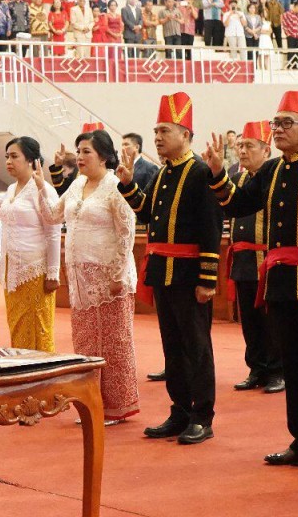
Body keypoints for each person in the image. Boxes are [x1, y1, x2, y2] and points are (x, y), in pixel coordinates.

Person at [205, 91, 298, 474]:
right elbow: (237, 204)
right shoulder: (270, 171)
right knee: (293, 365)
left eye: (288, 123)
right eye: (277, 123)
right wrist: (219, 174)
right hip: (282, 284)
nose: (280, 130)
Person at [114, 92, 221, 443]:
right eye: (156, 131)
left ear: (185, 135)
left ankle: (202, 416)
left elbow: (211, 227)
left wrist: (208, 279)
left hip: (191, 275)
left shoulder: (201, 172)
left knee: (196, 347)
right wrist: (129, 185)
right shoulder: (161, 175)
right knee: (173, 348)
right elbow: (146, 214)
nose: (157, 137)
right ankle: (180, 411)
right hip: (163, 272)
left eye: (164, 131)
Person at [37, 127, 139, 424]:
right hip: (80, 277)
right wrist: (40, 184)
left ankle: (116, 407)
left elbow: (127, 231)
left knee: (114, 343)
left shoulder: (115, 185)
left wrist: (119, 273)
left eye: (86, 152)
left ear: (104, 156)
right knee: (85, 342)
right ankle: (91, 403)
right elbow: (52, 216)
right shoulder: (76, 183)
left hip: (110, 275)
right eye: (78, 151)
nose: (80, 157)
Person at [0, 137, 60, 351]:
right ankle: (23, 373)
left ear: (30, 160)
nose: (8, 161)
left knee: (39, 327)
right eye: (7, 156)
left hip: (35, 271)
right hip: (12, 271)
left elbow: (53, 232)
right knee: (18, 327)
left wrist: (53, 273)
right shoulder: (11, 190)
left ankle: (43, 376)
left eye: (14, 156)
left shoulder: (43, 189)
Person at [228, 120, 283, 394]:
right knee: (249, 320)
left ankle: (277, 371)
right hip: (242, 260)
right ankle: (256, 368)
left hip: (267, 260)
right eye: (240, 146)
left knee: (271, 320)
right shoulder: (236, 180)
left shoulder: (274, 179)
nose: (242, 151)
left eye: (249, 146)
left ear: (266, 150)